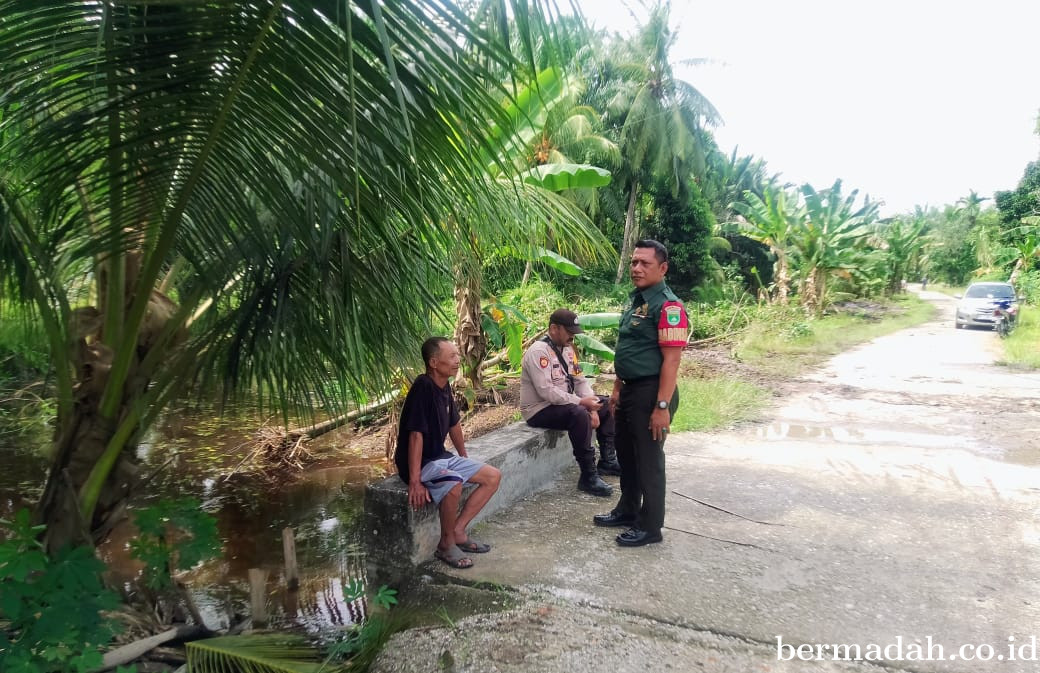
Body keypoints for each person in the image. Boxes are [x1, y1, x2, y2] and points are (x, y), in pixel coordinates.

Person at [593, 239, 689, 547]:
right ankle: (628, 509)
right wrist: (617, 389)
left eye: (644, 263)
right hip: (631, 390)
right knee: (627, 456)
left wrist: (661, 406)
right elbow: (628, 348)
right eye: (634, 262)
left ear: (662, 268)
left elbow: (672, 360)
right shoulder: (636, 300)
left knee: (649, 461)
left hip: (651, 392)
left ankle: (650, 527)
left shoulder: (669, 306)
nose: (636, 268)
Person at [394, 337, 502, 569]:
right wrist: (414, 481)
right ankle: (445, 544)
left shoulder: (444, 387)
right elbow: (415, 435)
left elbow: (454, 425)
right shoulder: (423, 387)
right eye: (452, 356)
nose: (457, 360)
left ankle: (458, 531)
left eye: (457, 355)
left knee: (492, 476)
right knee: (453, 484)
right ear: (434, 362)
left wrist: (463, 457)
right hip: (420, 463)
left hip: (439, 456)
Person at [520, 309, 621, 497]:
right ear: (553, 328)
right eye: (569, 332)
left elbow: (580, 381)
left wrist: (592, 405)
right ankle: (588, 476)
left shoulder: (567, 350)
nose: (573, 336)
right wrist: (582, 403)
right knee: (578, 414)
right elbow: (546, 391)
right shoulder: (538, 352)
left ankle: (608, 460)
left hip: (563, 404)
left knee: (606, 403)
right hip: (539, 409)